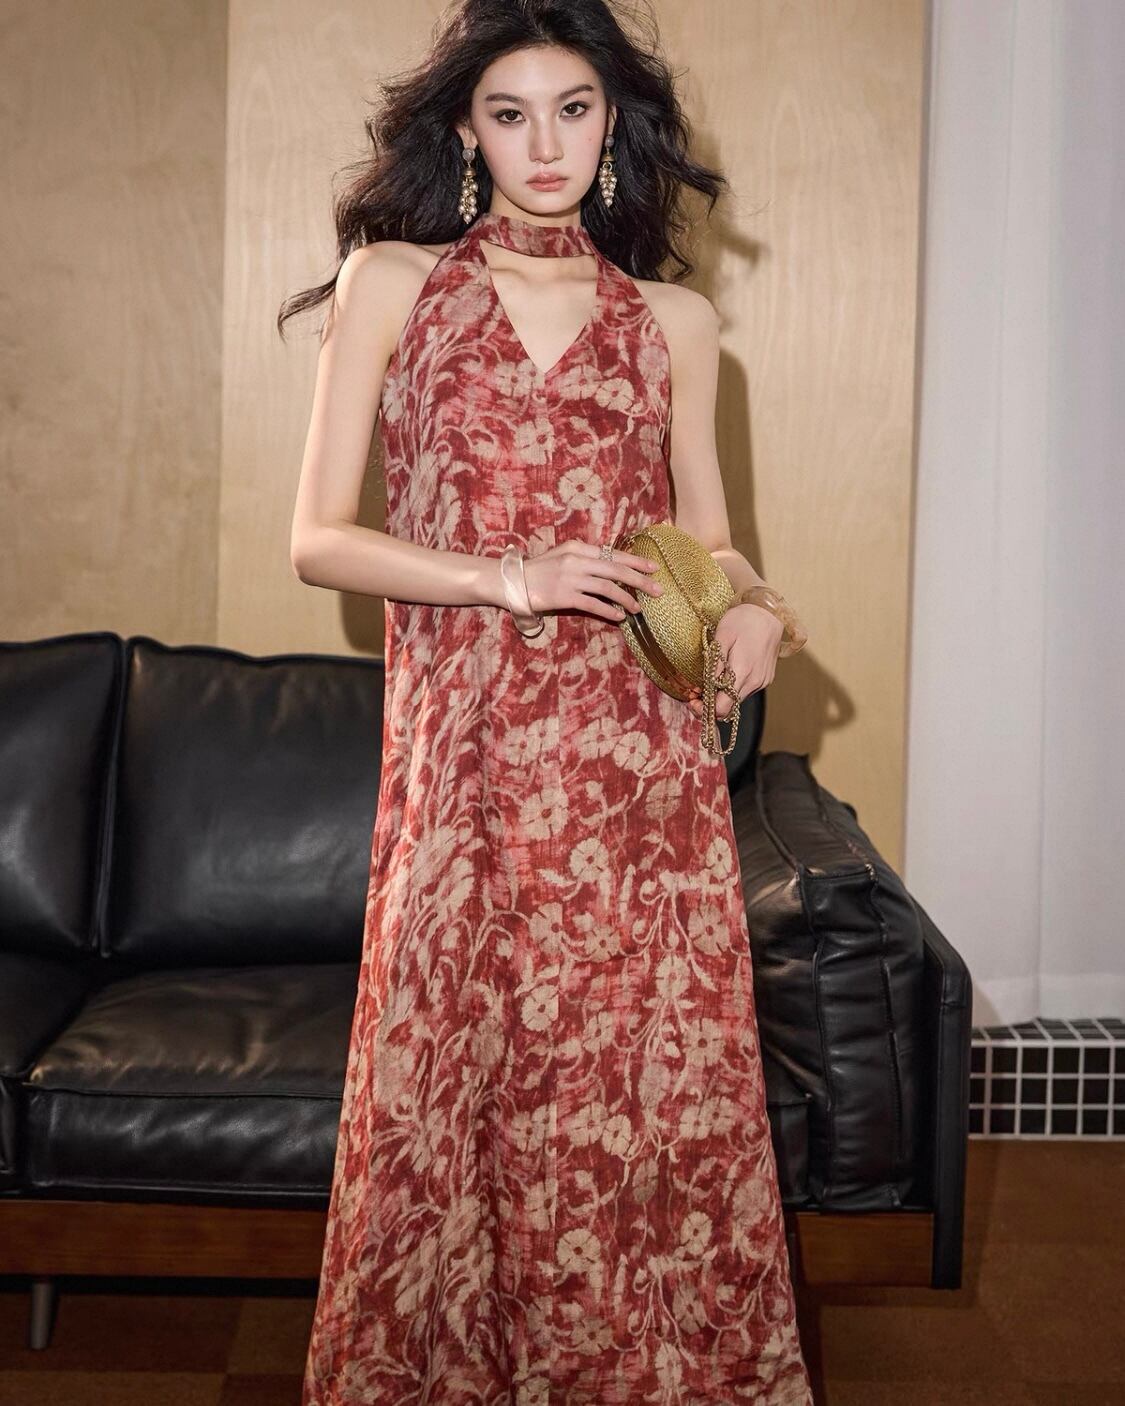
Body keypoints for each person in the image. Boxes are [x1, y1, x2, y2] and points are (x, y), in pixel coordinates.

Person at [282, 1, 813, 1401]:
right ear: (466, 134)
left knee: (628, 1095)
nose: (544, 144)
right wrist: (507, 578)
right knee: (452, 1081)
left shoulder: (675, 322)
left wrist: (757, 606)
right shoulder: (393, 284)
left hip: (635, 767)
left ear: (612, 125)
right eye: (509, 114)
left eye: (572, 110)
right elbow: (317, 540)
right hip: (463, 755)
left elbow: (709, 540)